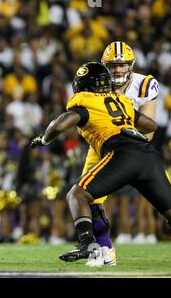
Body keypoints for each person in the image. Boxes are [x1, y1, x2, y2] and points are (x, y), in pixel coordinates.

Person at [30, 62, 171, 267]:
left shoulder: (85, 102)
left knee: (77, 195)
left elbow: (60, 123)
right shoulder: (121, 101)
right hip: (148, 156)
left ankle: (87, 243)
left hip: (121, 155)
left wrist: (44, 139)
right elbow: (151, 124)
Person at [75, 41, 159, 265]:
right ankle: (105, 250)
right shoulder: (96, 82)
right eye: (113, 65)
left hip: (135, 146)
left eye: (122, 65)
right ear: (105, 65)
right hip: (101, 146)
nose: (118, 70)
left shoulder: (144, 84)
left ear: (131, 65)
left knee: (162, 199)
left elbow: (149, 130)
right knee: (89, 196)